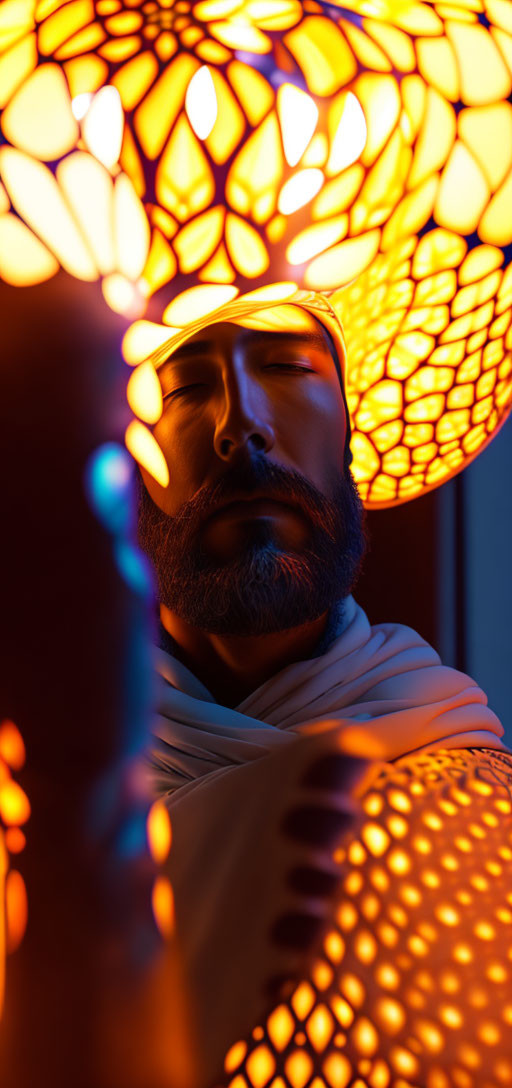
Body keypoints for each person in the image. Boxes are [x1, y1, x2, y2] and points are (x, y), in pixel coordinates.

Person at [136, 294, 512, 1088]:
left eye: (285, 365)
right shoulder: (46, 802)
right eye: (182, 388)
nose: (241, 427)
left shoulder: (473, 801)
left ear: (351, 429)